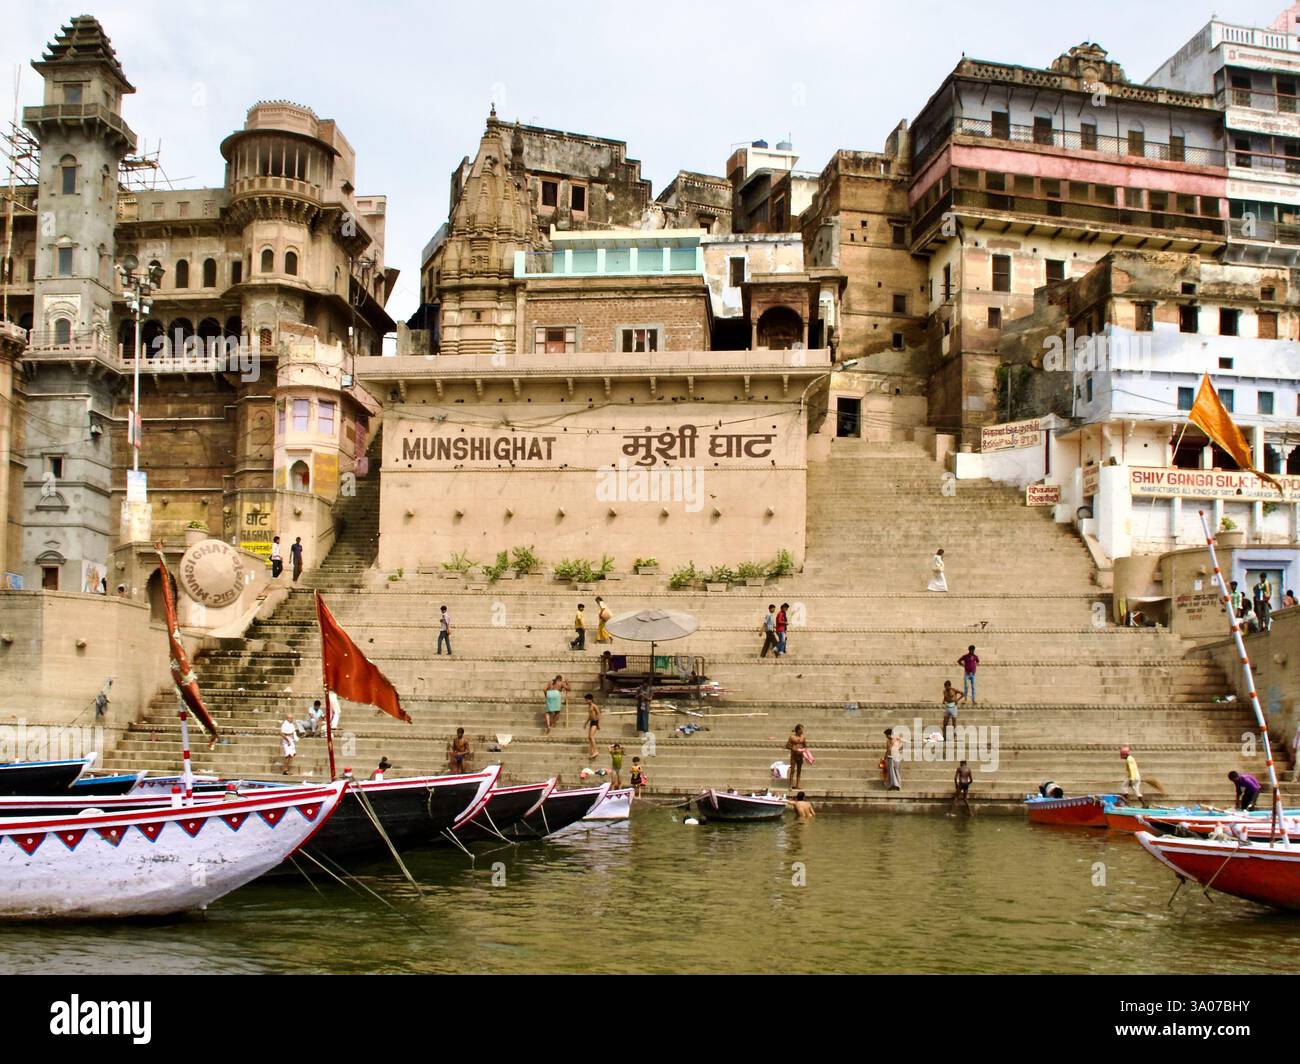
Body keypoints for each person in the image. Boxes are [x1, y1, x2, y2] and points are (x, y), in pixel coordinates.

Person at [786, 724, 809, 790]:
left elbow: (805, 746)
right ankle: (790, 785)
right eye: (801, 729)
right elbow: (787, 746)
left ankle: (797, 785)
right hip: (794, 755)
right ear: (798, 730)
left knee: (799, 770)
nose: (802, 731)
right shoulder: (792, 737)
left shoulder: (803, 737)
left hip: (800, 755)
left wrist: (805, 751)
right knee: (792, 770)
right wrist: (793, 748)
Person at [583, 693, 601, 758]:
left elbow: (598, 714)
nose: (586, 701)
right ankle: (592, 751)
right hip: (591, 722)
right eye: (586, 700)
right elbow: (590, 716)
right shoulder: (589, 707)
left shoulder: (594, 706)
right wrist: (586, 723)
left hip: (595, 722)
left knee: (591, 736)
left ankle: (596, 751)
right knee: (589, 737)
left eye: (587, 700)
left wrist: (598, 724)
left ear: (591, 699)